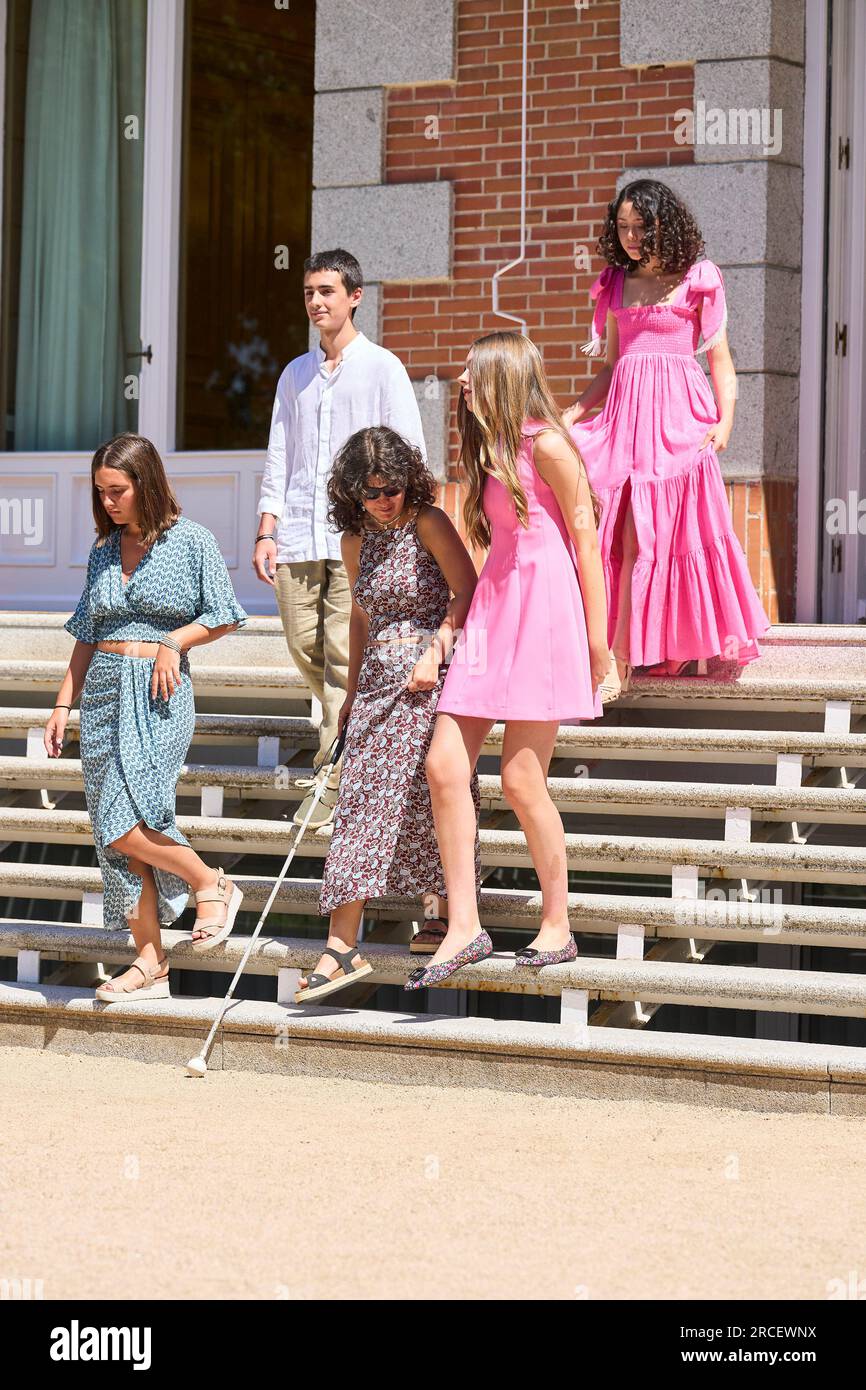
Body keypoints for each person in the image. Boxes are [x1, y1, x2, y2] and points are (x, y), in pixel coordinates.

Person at [407, 333, 609, 991]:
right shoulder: (489, 453)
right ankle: (464, 924)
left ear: (502, 375)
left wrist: (598, 642)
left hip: (545, 612)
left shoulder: (547, 444)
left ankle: (558, 924)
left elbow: (586, 542)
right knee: (443, 764)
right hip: (496, 609)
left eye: (472, 369)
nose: (461, 377)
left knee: (522, 780)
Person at [45, 433, 248, 1001]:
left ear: (146, 483)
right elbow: (87, 633)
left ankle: (211, 882)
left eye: (118, 490)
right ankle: (149, 962)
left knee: (132, 821)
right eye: (101, 492)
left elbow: (225, 614)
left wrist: (175, 641)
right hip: (104, 695)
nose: (108, 502)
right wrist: (64, 702)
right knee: (115, 839)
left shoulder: (192, 541)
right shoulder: (104, 551)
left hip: (159, 695)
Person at [294, 426, 482, 1003]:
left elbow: (466, 589)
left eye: (392, 488)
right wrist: (349, 693)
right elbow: (360, 614)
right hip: (378, 678)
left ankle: (442, 909)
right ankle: (342, 944)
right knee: (361, 801)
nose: (383, 500)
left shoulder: (428, 521)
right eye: (371, 492)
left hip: (433, 672)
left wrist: (438, 649)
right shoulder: (354, 541)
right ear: (352, 492)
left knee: (428, 795)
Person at [564, 178, 770, 695]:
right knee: (616, 533)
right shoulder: (614, 282)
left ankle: (629, 657)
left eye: (642, 227)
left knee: (655, 538)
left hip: (680, 424)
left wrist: (724, 423)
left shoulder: (700, 278)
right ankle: (617, 653)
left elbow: (721, 363)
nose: (631, 237)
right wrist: (571, 412)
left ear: (665, 223)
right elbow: (612, 367)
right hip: (625, 422)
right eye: (624, 227)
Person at [254, 248, 427, 828]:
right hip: (299, 536)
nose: (316, 302)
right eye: (309, 293)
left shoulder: (384, 368)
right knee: (306, 649)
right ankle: (343, 751)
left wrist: (397, 526)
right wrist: (266, 526)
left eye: (327, 292)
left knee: (339, 656)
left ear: (355, 297)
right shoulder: (294, 375)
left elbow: (409, 450)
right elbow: (280, 452)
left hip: (356, 535)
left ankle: (332, 782)